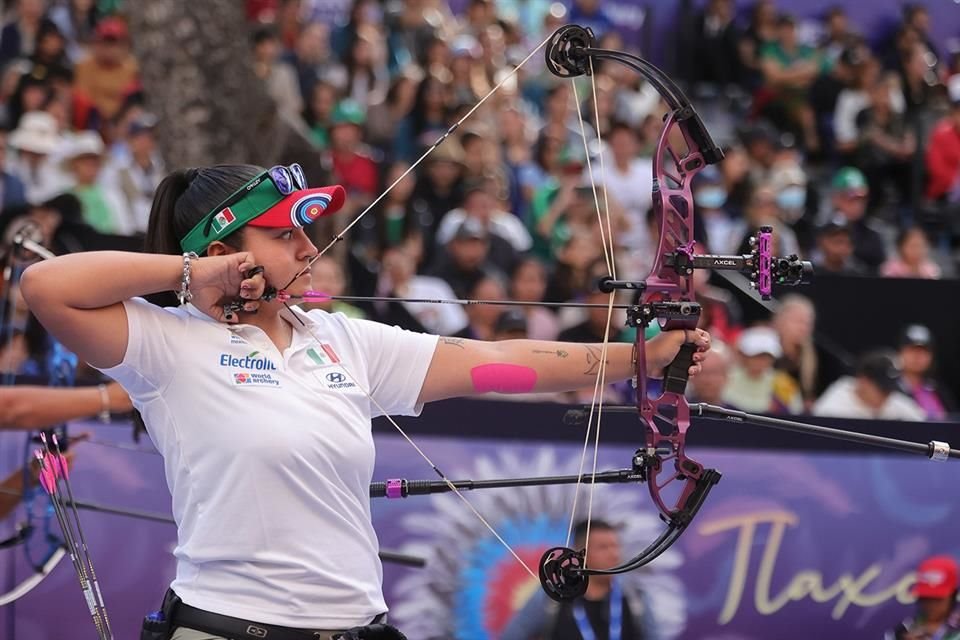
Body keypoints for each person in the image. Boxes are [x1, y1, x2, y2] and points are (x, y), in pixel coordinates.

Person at [19, 163, 710, 639]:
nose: (310, 248)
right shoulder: (167, 343)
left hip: (356, 626)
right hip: (230, 626)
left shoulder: (340, 340)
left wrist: (638, 360)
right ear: (230, 248)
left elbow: (495, 362)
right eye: (284, 234)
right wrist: (193, 273)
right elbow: (46, 286)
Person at [501, 519, 659, 640]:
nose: (614, 554)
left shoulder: (635, 597)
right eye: (603, 547)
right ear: (579, 554)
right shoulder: (551, 597)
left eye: (615, 546)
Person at [812, 350, 925, 421]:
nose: (887, 395)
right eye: (882, 389)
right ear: (864, 381)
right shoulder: (833, 406)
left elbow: (923, 424)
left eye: (890, 389)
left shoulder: (894, 402)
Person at [885, 555, 960, 640]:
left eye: (937, 598)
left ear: (952, 595)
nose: (931, 605)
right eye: (926, 598)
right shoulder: (901, 631)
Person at [896, 324, 956, 420]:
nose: (917, 356)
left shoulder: (938, 389)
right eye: (912, 350)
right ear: (900, 352)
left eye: (923, 351)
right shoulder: (889, 388)